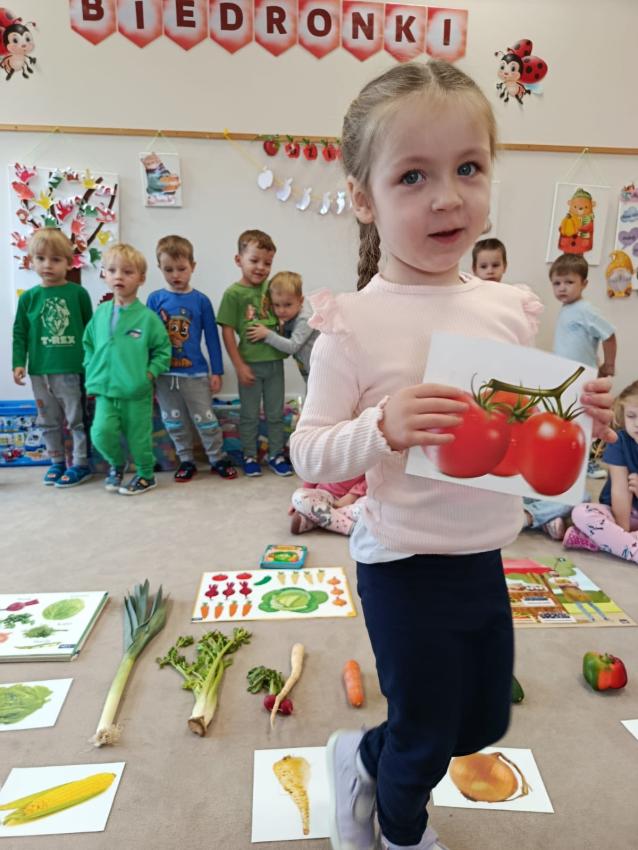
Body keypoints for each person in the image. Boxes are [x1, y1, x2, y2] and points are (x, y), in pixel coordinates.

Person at [289, 60, 615, 850]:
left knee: (482, 719)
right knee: (428, 732)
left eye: (469, 167)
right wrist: (383, 426)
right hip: (401, 562)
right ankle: (399, 829)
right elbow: (308, 452)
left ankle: (363, 754)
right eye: (413, 176)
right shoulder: (351, 324)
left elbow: (524, 429)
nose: (447, 196)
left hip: (486, 553)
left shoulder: (509, 307)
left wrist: (585, 420)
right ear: (363, 198)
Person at [147, 235, 237, 482]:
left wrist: (216, 371)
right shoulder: (155, 300)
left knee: (205, 419)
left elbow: (212, 338)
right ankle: (186, 460)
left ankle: (217, 458)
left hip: (195, 374)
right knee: (173, 420)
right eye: (168, 270)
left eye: (181, 269)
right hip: (164, 375)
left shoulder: (201, 300)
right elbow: (148, 339)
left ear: (192, 266)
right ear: (159, 268)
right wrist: (149, 371)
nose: (175, 275)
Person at [83, 244, 171, 495]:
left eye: (127, 272)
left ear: (141, 278)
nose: (118, 276)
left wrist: (149, 373)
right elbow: (88, 343)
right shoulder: (101, 313)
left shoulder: (147, 318)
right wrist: (91, 368)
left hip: (136, 391)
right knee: (100, 433)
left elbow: (163, 350)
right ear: (105, 275)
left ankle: (146, 475)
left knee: (138, 437)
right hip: (105, 391)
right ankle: (116, 465)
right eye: (112, 270)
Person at [11, 228, 93, 488]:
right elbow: (20, 333)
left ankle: (80, 464)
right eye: (41, 258)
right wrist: (18, 363)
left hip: (72, 370)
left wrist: (92, 364)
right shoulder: (28, 298)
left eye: (55, 259)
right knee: (47, 420)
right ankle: (56, 461)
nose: (47, 265)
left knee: (76, 420)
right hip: (39, 372)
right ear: (31, 261)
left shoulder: (78, 294)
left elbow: (89, 331)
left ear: (69, 263)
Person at [217, 229, 293, 477]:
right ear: (238, 260)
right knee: (249, 414)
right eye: (254, 260)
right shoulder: (233, 294)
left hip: (274, 364)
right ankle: (250, 454)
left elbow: (288, 308)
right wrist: (238, 365)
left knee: (275, 414)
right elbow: (227, 331)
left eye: (267, 263)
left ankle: (276, 454)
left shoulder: (272, 288)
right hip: (249, 365)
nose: (261, 267)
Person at [550, 252, 617, 478]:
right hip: (565, 376)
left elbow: (609, 335)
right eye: (557, 283)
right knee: (566, 418)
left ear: (584, 284)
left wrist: (609, 364)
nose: (562, 288)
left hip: (583, 378)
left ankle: (588, 461)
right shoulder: (566, 308)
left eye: (569, 282)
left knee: (585, 418)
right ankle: (568, 457)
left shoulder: (586, 310)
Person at [565, 381, 638, 563]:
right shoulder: (619, 441)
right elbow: (620, 490)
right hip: (620, 514)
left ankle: (605, 541)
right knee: (581, 512)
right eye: (631, 416)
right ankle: (629, 547)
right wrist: (623, 532)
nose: (637, 424)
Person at [245, 271, 319, 384]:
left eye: (287, 305)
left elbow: (292, 346)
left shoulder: (305, 320)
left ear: (301, 301)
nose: (281, 310)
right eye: (276, 305)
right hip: (307, 368)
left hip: (321, 369)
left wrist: (267, 334)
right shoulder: (289, 318)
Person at [289, 475, 367, 536]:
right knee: (299, 496)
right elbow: (312, 472)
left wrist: (353, 495)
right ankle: (352, 528)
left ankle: (313, 519)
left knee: (369, 505)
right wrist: (305, 491)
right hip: (324, 496)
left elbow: (371, 476)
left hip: (354, 500)